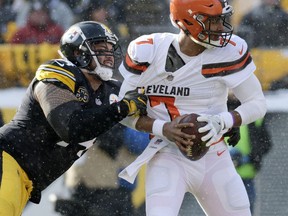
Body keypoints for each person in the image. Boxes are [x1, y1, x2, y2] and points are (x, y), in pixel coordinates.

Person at [117, 0, 267, 215]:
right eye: (212, 20)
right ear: (185, 20)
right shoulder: (148, 51)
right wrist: (162, 127)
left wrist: (224, 121)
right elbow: (122, 111)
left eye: (221, 20)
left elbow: (257, 103)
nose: (220, 27)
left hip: (214, 154)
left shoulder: (229, 52)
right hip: (166, 154)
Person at [0, 21, 147, 216]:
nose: (108, 55)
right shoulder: (58, 75)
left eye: (111, 49)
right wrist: (122, 108)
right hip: (8, 160)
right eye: (101, 48)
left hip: (26, 178)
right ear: (78, 53)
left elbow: (146, 117)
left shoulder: (111, 91)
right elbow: (70, 128)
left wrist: (172, 128)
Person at [53, 125, 150, 216]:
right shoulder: (80, 112)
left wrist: (113, 128)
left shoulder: (131, 113)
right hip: (77, 191)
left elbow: (141, 142)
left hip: (112, 193)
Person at [228, 95, 272, 214]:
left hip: (246, 174)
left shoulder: (252, 114)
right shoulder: (218, 112)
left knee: (245, 209)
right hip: (223, 176)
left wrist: (249, 158)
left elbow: (266, 143)